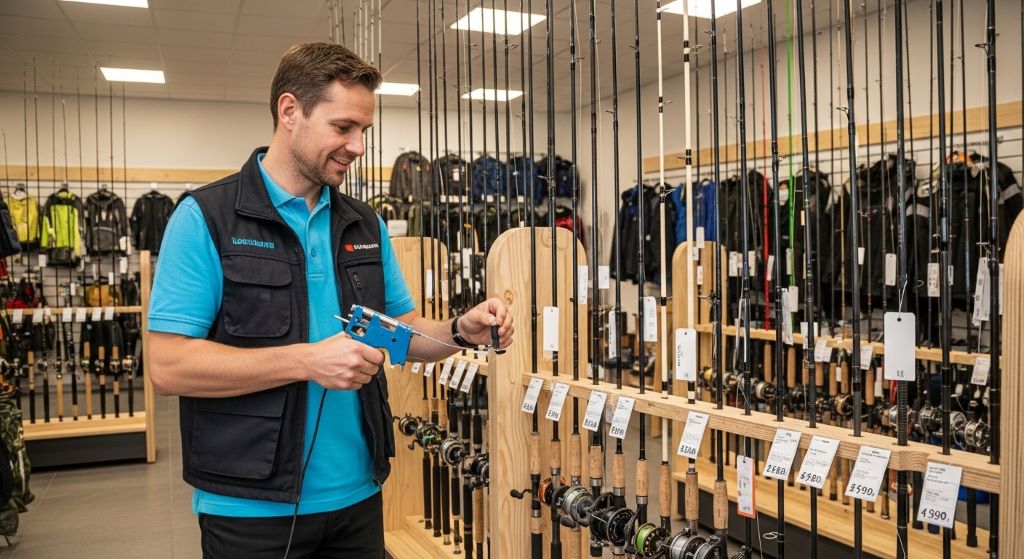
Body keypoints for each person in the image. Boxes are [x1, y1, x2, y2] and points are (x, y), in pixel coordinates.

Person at [148, 42, 513, 559]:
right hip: (249, 508)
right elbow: (168, 367)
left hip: (359, 497)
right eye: (344, 128)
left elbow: (400, 330)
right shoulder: (205, 218)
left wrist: (459, 331)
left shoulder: (364, 224)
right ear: (290, 111)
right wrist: (307, 361)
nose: (359, 146)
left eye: (364, 130)